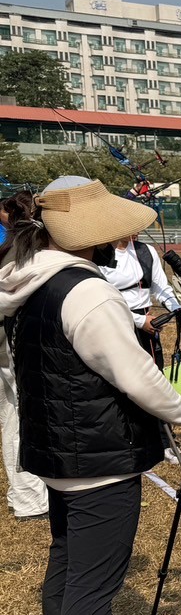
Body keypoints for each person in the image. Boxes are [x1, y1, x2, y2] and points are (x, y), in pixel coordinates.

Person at [0, 176, 181, 615]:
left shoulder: (29, 281)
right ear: (92, 236)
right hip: (97, 456)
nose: (119, 240)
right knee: (91, 584)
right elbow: (138, 379)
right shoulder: (87, 292)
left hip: (57, 450)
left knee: (67, 565)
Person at [0, 193, 50, 520]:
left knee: (11, 411)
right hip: (14, 342)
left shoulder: (17, 243)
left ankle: (23, 492)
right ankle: (28, 498)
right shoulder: (32, 244)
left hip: (9, 342)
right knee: (22, 414)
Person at [101, 232, 181, 368]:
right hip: (114, 320)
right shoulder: (99, 255)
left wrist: (178, 310)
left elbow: (161, 287)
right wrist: (139, 321)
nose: (136, 231)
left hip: (147, 324)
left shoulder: (146, 251)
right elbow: (102, 300)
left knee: (153, 370)